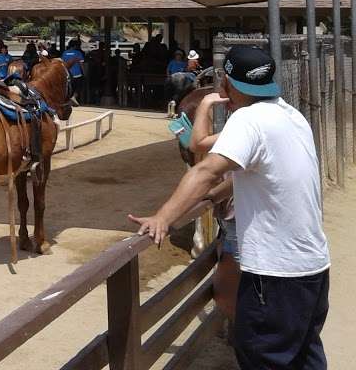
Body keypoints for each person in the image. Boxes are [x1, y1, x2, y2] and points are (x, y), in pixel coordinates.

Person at [130, 46, 329, 370]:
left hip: (274, 274)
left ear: (228, 84)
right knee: (305, 357)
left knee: (263, 357)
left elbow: (204, 171)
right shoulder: (290, 115)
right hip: (313, 269)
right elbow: (254, 177)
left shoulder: (248, 120)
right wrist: (214, 198)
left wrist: (163, 217)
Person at [188, 90, 241, 324]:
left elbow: (197, 145)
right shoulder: (287, 120)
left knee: (228, 296)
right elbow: (234, 182)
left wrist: (205, 104)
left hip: (240, 224)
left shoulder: (245, 127)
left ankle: (237, 331)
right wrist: (213, 195)